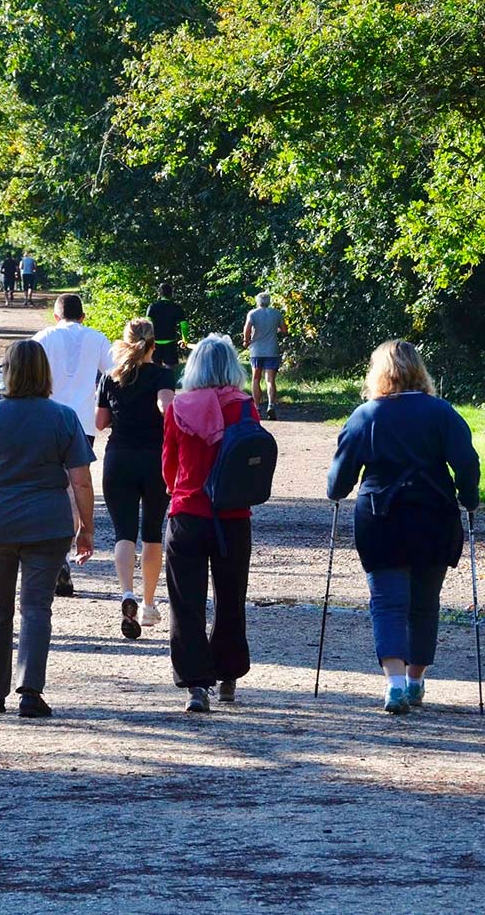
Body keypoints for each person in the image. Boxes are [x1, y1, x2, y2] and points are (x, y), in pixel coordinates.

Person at [0, 339, 96, 717]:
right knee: (37, 608)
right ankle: (30, 692)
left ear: (5, 373)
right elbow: (81, 481)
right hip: (47, 522)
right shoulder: (63, 417)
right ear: (45, 373)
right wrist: (86, 528)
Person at [327, 340, 479, 715]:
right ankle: (415, 681)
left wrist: (338, 490)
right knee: (425, 603)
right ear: (419, 371)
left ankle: (394, 684)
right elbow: (467, 462)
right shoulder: (442, 413)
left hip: (381, 518)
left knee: (387, 602)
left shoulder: (366, 415)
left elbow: (338, 483)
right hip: (433, 515)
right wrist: (469, 497)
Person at [161, 334, 258, 712]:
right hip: (234, 516)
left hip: (188, 512)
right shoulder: (246, 406)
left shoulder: (179, 407)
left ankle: (196, 686)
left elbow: (168, 465)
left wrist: (179, 488)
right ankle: (229, 676)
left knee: (187, 602)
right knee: (231, 598)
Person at [95, 318, 176, 638]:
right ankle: (148, 603)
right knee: (153, 533)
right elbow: (167, 408)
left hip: (119, 460)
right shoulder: (162, 374)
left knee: (123, 534)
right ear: (153, 344)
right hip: (155, 461)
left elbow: (100, 422)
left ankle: (127, 593)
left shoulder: (110, 378)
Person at [31, 293, 113, 598]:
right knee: (74, 486)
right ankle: (65, 552)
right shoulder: (97, 338)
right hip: (82, 422)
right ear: (83, 315)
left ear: (56, 315)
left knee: (49, 485)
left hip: (46, 418)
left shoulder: (42, 338)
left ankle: (52, 557)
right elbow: (114, 372)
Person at [242, 291, 288, 420]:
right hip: (272, 350)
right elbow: (285, 330)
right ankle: (271, 405)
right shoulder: (276, 313)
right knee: (270, 380)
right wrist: (276, 329)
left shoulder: (252, 313)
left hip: (256, 350)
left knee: (256, 379)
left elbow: (247, 328)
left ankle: (256, 407)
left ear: (257, 302)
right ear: (269, 301)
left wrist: (246, 341)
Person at [148, 281, 186, 369]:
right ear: (171, 294)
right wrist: (185, 340)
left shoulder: (152, 307)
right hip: (170, 343)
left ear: (159, 294)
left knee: (155, 370)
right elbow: (184, 325)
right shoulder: (176, 307)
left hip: (155, 344)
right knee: (170, 370)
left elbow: (147, 324)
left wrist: (148, 341)